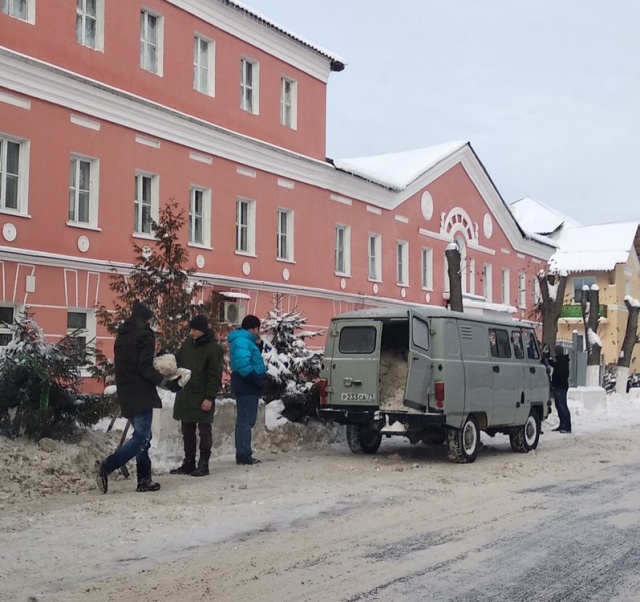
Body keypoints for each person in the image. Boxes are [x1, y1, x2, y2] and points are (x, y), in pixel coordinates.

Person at [97, 301, 181, 494]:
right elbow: (144, 367)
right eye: (149, 320)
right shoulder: (145, 335)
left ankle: (144, 480)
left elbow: (129, 365)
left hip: (126, 392)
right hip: (141, 393)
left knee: (142, 437)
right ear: (145, 320)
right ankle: (107, 466)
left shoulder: (122, 337)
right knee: (142, 438)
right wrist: (168, 384)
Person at [170, 314, 223, 477]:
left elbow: (215, 375)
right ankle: (189, 462)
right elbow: (177, 360)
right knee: (187, 430)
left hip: (202, 396)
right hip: (186, 394)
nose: (191, 332)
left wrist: (209, 397)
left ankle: (204, 463)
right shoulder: (187, 344)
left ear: (202, 330)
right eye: (191, 328)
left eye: (194, 329)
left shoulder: (213, 348)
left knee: (204, 430)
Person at [228, 314, 267, 465]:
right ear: (252, 328)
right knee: (245, 420)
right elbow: (244, 365)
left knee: (245, 419)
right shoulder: (242, 341)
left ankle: (244, 452)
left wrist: (258, 346)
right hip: (247, 384)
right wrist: (257, 381)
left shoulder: (244, 341)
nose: (259, 331)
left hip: (247, 384)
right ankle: (244, 454)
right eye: (258, 328)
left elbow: (250, 358)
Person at [548, 344, 572, 433]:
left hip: (560, 387)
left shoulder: (561, 361)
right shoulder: (561, 360)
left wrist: (555, 383)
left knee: (562, 406)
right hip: (560, 386)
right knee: (559, 406)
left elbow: (560, 374)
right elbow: (555, 366)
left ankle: (567, 427)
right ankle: (562, 425)